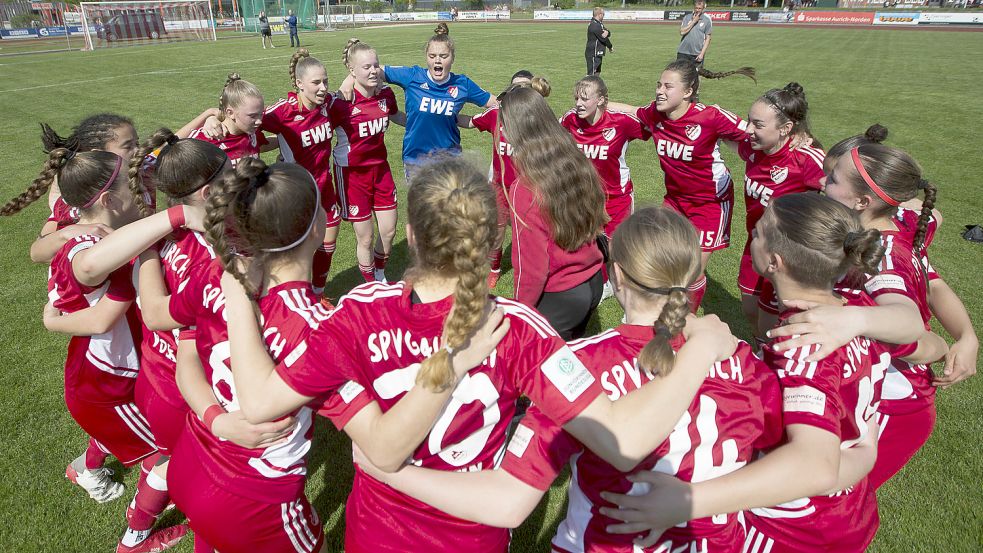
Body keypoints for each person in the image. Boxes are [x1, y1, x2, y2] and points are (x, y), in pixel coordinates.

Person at [221, 156, 741, 553]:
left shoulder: (359, 310)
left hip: (376, 533)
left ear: (410, 236)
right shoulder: (517, 329)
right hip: (468, 539)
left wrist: (233, 288)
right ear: (497, 238)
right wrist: (700, 353)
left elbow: (261, 401)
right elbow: (623, 441)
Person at [351, 207, 783, 553]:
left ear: (616, 276)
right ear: (694, 280)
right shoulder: (742, 357)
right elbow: (796, 464)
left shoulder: (581, 365)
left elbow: (507, 502)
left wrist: (387, 471)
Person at [601, 194, 945, 552]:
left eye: (760, 231)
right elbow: (924, 344)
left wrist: (687, 501)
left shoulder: (803, 348)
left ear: (775, 262)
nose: (753, 234)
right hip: (848, 512)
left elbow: (814, 465)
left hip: (790, 526)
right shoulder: (857, 308)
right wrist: (866, 450)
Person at [22, 149, 199, 552]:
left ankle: (84, 468)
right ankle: (135, 537)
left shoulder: (76, 223)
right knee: (167, 454)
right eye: (129, 185)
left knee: (122, 435)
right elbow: (97, 299)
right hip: (108, 384)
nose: (139, 189)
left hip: (94, 372)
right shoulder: (85, 248)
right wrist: (177, 218)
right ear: (106, 199)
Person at [608, 59, 756, 311]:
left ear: (688, 92)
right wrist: (599, 103)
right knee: (657, 254)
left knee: (692, 272)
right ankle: (651, 310)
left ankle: (683, 322)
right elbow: (634, 111)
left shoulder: (711, 116)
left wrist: (795, 139)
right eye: (658, 85)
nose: (659, 91)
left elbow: (754, 133)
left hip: (710, 204)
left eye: (668, 86)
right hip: (675, 199)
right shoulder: (655, 113)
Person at [503, 86, 606, 339]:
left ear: (512, 131)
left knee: (540, 372)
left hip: (561, 293)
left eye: (503, 126)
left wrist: (520, 312)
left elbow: (531, 267)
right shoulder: (573, 160)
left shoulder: (524, 188)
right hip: (592, 281)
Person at [735, 83, 825, 341]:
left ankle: (774, 364)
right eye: (749, 121)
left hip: (789, 255)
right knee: (750, 309)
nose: (749, 130)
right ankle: (763, 350)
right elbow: (726, 132)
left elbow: (845, 186)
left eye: (758, 125)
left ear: (786, 129)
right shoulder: (753, 147)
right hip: (755, 244)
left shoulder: (805, 159)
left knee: (778, 321)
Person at [458, 70, 552, 288]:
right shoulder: (496, 114)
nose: (518, 91)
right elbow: (469, 121)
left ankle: (529, 268)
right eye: (515, 87)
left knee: (528, 232)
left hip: (529, 187)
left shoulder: (538, 117)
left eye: (524, 87)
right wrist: (441, 112)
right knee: (496, 230)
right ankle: (494, 268)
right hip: (499, 186)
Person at [377, 25, 497, 179]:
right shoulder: (412, 76)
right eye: (432, 56)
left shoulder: (462, 84)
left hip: (450, 161)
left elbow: (495, 102)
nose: (437, 61)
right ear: (426, 56)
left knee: (450, 203)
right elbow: (372, 69)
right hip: (416, 160)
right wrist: (349, 79)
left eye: (443, 56)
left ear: (452, 58)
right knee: (420, 203)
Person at [332, 39, 400, 283]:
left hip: (381, 170)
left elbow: (396, 116)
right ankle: (371, 284)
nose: (373, 71)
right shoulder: (339, 102)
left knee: (389, 230)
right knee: (366, 238)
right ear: (352, 70)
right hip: (352, 176)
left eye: (375, 65)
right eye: (366, 67)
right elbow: (313, 123)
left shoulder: (385, 94)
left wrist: (425, 122)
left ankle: (380, 273)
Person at [189, 74, 274, 167]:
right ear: (230, 113)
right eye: (252, 116)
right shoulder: (205, 139)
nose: (259, 121)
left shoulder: (251, 132)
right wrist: (209, 114)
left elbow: (263, 146)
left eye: (261, 114)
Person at [678, 0, 711, 70]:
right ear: (694, 8)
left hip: (696, 54)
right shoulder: (687, 17)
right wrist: (693, 22)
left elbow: (708, 39)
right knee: (681, 75)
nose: (697, 10)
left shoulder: (707, 20)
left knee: (696, 76)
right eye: (696, 8)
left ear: (703, 9)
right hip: (683, 52)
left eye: (699, 8)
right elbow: (682, 32)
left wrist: (702, 54)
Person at [585, 7, 612, 76]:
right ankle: (586, 86)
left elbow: (608, 32)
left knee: (597, 72)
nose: (603, 16)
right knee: (591, 74)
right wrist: (610, 46)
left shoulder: (599, 24)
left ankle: (596, 86)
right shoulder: (594, 25)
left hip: (598, 52)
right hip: (593, 52)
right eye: (603, 14)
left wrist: (607, 32)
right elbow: (603, 38)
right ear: (599, 14)